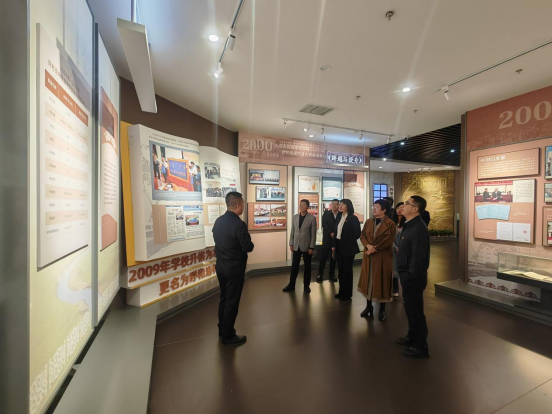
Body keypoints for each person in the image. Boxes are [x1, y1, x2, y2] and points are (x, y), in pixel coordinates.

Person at [212, 192, 254, 346]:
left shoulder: (218, 221)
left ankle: (222, 329)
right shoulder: (239, 224)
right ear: (237, 205)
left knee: (224, 297)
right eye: (242, 204)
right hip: (234, 269)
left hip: (221, 266)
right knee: (232, 301)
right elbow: (248, 247)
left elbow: (217, 240)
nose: (243, 206)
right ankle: (228, 335)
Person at [396, 196, 431, 358]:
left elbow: (418, 256)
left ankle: (421, 346)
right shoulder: (409, 224)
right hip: (406, 274)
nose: (403, 206)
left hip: (413, 277)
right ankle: (412, 336)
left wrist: (409, 276)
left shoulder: (419, 228)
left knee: (416, 312)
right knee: (410, 309)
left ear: (415, 209)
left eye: (407, 203)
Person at [358, 199, 396, 321]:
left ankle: (382, 309)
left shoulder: (390, 224)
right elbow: (362, 236)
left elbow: (388, 241)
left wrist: (374, 249)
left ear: (384, 210)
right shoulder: (369, 221)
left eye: (377, 207)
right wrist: (368, 246)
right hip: (369, 256)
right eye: (373, 206)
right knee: (368, 280)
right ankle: (368, 306)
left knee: (382, 281)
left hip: (382, 257)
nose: (374, 209)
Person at [284, 199, 317, 293]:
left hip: (307, 246)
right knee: (294, 266)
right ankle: (291, 284)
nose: (301, 206)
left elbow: (313, 234)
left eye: (303, 205)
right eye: (300, 205)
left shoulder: (312, 218)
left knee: (307, 267)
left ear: (307, 207)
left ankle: (306, 286)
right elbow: (292, 231)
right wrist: (291, 243)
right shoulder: (295, 217)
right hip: (296, 245)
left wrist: (311, 247)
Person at [332, 199, 361, 301]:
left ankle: (347, 294)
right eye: (339, 204)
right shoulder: (339, 216)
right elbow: (336, 232)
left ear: (348, 206)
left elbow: (357, 233)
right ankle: (341, 291)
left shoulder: (353, 218)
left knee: (347, 271)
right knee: (341, 271)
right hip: (339, 246)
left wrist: (347, 240)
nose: (340, 206)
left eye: (343, 205)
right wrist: (334, 245)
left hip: (348, 247)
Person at [317, 199, 339, 283]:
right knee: (323, 257)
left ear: (338, 205)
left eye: (336, 204)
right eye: (333, 204)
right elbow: (324, 224)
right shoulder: (326, 213)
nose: (334, 206)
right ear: (331, 205)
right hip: (327, 239)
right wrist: (330, 232)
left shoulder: (340, 214)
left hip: (336, 239)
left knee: (333, 258)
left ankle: (331, 274)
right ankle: (320, 274)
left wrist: (335, 233)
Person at [392, 202, 405, 297]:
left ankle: (405, 293)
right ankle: (394, 289)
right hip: (393, 250)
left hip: (404, 250)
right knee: (393, 270)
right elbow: (388, 237)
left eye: (401, 208)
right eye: (398, 208)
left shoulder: (408, 222)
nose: (399, 210)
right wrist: (395, 247)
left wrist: (402, 249)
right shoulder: (391, 222)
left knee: (404, 270)